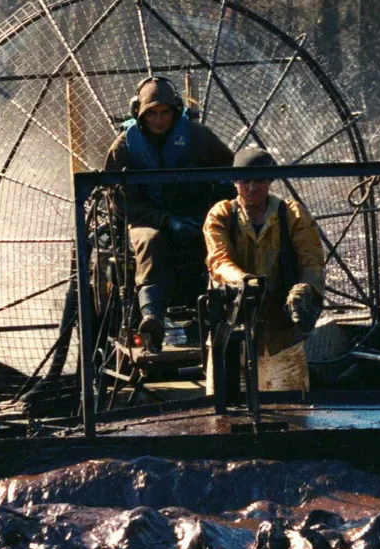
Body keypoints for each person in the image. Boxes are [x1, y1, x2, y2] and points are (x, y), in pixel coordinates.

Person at [103, 76, 233, 352]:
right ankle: (152, 316)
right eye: (151, 113)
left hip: (194, 215)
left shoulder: (198, 137)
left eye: (164, 113)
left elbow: (231, 174)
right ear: (139, 112)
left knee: (214, 239)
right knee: (150, 241)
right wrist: (164, 219)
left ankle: (218, 314)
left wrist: (213, 211)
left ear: (176, 112)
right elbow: (119, 202)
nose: (159, 120)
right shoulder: (124, 146)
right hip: (146, 220)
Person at [203, 148, 324, 390]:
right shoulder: (222, 214)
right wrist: (244, 281)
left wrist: (304, 289)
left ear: (270, 181)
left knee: (291, 412)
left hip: (280, 334)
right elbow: (219, 260)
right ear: (235, 182)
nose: (251, 187)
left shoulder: (292, 214)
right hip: (231, 328)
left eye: (258, 180)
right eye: (244, 181)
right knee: (223, 416)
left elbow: (312, 262)